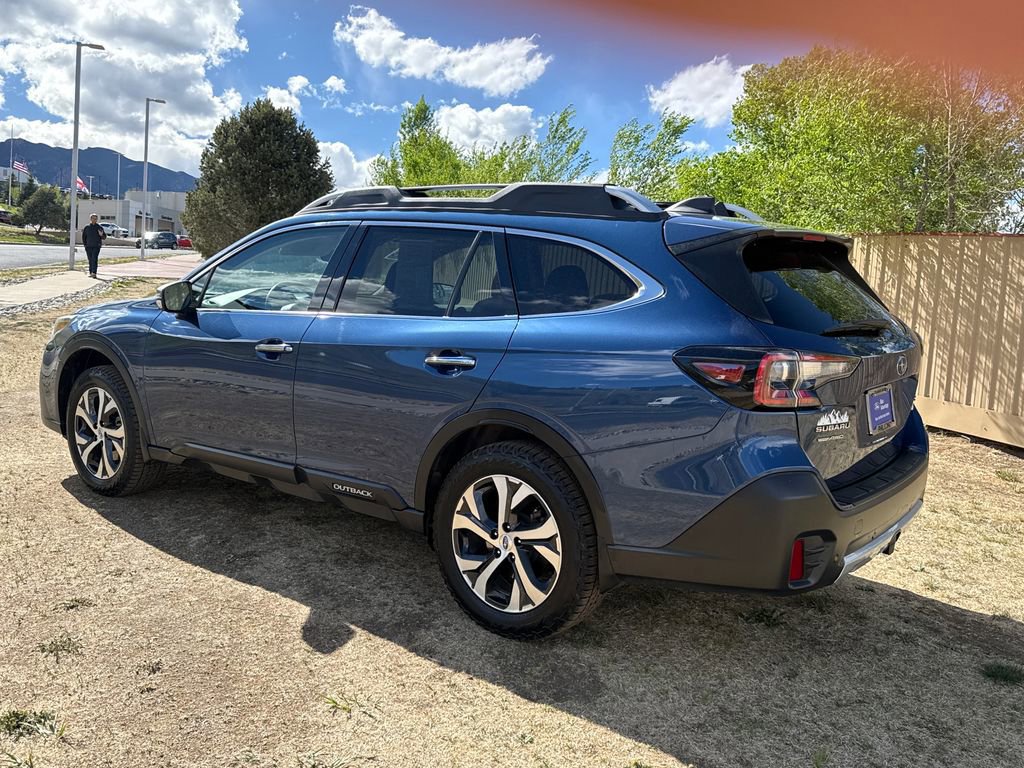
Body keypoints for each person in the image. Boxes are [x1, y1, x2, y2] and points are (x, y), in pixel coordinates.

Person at [81, 213, 106, 278]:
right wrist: (85, 245)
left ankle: (94, 272)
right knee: (90, 259)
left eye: (95, 219)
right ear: (90, 219)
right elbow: (84, 237)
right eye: (93, 218)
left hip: (96, 246)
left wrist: (101, 235)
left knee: (94, 259)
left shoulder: (99, 227)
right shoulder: (87, 227)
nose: (94, 220)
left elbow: (104, 237)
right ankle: (90, 272)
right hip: (88, 246)